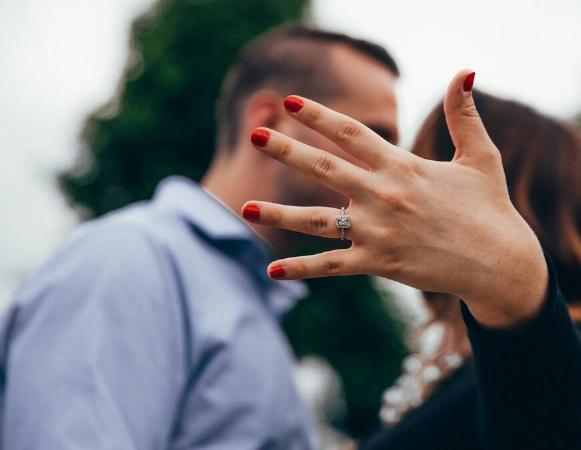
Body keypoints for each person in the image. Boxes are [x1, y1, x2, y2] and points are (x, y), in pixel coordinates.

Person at [0, 25, 399, 449]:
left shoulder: (247, 293)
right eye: (371, 136)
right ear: (270, 121)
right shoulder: (129, 259)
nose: (389, 165)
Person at [241, 74, 581, 449]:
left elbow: (545, 430)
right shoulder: (451, 363)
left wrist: (513, 282)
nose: (400, 191)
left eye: (426, 168)